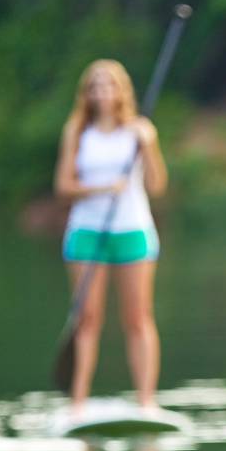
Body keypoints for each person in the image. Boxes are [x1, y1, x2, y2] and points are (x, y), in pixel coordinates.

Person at [55, 59, 167, 415]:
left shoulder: (139, 131)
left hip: (132, 230)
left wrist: (148, 145)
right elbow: (63, 186)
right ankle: (78, 404)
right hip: (88, 232)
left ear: (122, 91)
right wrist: (102, 188)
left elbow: (157, 185)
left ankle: (147, 402)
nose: (102, 92)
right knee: (87, 318)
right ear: (87, 94)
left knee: (138, 317)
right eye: (95, 86)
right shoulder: (78, 131)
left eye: (109, 85)